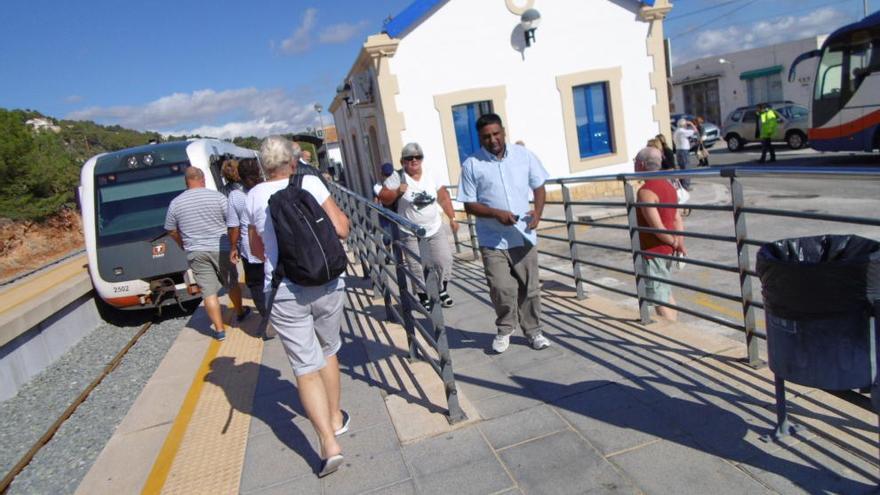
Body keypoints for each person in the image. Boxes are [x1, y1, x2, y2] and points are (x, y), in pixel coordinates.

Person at [246, 136, 351, 477]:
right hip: (326, 282)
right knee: (329, 349)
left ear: (263, 167)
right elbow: (342, 229)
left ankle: (327, 444)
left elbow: (257, 251)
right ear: (293, 161)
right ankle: (336, 419)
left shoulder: (253, 196)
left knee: (306, 367)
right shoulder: (311, 182)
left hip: (285, 289)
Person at [458, 113, 551, 353]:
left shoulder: (523, 156)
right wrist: (495, 213)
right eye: (486, 136)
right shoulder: (471, 164)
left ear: (503, 132)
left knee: (529, 287)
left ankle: (534, 331)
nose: (492, 139)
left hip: (523, 234)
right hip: (492, 239)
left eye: (496, 134)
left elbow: (539, 185)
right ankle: (505, 327)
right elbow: (468, 204)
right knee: (501, 287)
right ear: (480, 138)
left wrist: (538, 213)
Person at [164, 167, 249, 341]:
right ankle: (240, 312)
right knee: (231, 282)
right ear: (202, 179)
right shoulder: (217, 197)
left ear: (186, 182)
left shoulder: (176, 203)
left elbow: (170, 230)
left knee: (208, 292)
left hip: (195, 251)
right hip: (221, 247)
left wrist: (183, 243)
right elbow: (232, 221)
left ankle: (219, 330)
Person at [378, 142, 458, 311]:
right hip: (410, 230)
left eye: (418, 157)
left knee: (444, 260)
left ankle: (441, 289)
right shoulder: (397, 177)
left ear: (422, 159)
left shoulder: (431, 174)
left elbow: (443, 197)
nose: (414, 160)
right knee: (416, 265)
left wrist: (452, 217)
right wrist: (398, 191)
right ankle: (423, 295)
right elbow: (384, 197)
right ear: (403, 161)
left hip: (434, 227)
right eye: (409, 158)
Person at [634, 146, 687, 321]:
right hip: (667, 249)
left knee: (659, 301)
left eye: (635, 162)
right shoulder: (668, 186)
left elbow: (656, 228)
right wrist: (679, 242)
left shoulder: (646, 192)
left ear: (642, 165)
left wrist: (674, 243)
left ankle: (674, 335)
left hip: (653, 251)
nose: (634, 166)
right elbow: (677, 219)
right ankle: (678, 328)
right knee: (666, 292)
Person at [228, 159, 268, 323]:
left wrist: (233, 247)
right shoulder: (266, 189)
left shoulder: (235, 196)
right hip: (271, 242)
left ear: (240, 175)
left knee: (256, 284)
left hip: (250, 248)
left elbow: (233, 226)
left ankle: (267, 316)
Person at [672, 118, 698, 190]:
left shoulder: (676, 131)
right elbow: (695, 131)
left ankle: (682, 185)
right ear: (684, 125)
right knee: (686, 168)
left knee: (681, 169)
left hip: (678, 150)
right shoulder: (683, 131)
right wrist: (691, 124)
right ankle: (686, 186)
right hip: (684, 151)